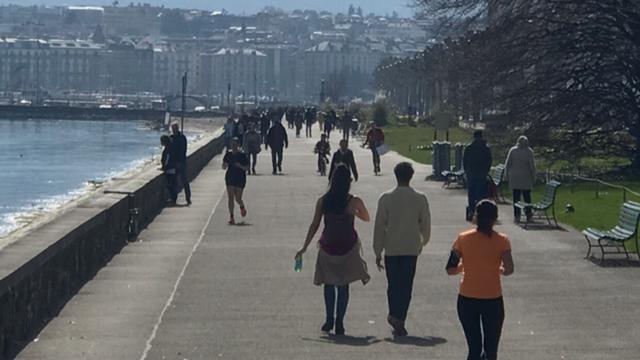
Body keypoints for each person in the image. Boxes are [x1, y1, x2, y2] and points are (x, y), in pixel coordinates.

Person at [295, 165, 371, 336]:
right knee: (343, 286)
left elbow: (315, 225)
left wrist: (304, 246)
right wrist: (353, 213)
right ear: (349, 182)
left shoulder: (323, 201)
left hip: (328, 246)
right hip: (348, 247)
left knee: (328, 283)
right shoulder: (354, 201)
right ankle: (339, 322)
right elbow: (367, 217)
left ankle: (329, 318)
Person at [446, 200, 514, 360]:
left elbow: (450, 269)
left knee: (474, 348)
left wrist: (465, 266)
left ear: (475, 216)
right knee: (491, 350)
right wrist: (498, 269)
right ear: (495, 218)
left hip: (467, 298)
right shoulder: (502, 241)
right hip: (493, 299)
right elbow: (509, 269)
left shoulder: (463, 239)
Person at [373, 162, 431, 337]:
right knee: (406, 285)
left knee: (393, 284)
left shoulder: (386, 198)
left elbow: (379, 226)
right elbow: (425, 224)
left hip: (392, 247)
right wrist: (423, 242)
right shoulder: (420, 198)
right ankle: (400, 318)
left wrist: (378, 250)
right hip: (411, 247)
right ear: (411, 176)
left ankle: (394, 313)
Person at [505, 136, 536, 223]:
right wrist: (534, 176)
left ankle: (517, 215)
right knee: (527, 197)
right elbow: (532, 166)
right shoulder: (529, 151)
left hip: (515, 176)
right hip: (526, 176)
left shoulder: (513, 150)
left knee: (516, 197)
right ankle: (529, 215)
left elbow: (508, 163)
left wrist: (506, 174)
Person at [463, 130, 492, 221]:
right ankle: (480, 211)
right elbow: (489, 161)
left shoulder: (469, 148)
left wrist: (467, 171)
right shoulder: (486, 149)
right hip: (481, 174)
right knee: (480, 193)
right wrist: (485, 171)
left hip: (471, 174)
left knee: (471, 193)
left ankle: (472, 210)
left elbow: (465, 161)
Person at [223, 138, 250, 225]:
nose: (233, 146)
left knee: (237, 198)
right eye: (232, 144)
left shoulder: (242, 155)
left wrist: (240, 166)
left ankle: (242, 207)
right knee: (230, 197)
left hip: (240, 178)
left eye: (235, 144)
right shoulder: (228, 155)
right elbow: (223, 166)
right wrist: (225, 165)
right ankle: (231, 217)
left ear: (238, 145)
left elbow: (247, 168)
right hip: (230, 177)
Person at [171, 123, 192, 206]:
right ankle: (174, 199)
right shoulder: (172, 138)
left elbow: (183, 151)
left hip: (181, 162)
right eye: (172, 128)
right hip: (174, 163)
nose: (173, 130)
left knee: (184, 181)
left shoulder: (182, 138)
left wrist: (180, 162)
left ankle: (188, 198)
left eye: (174, 128)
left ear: (177, 128)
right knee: (174, 182)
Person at [160, 135, 177, 205]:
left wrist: (164, 166)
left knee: (170, 185)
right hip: (172, 168)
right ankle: (173, 200)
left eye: (161, 141)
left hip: (170, 169)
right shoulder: (171, 147)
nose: (161, 142)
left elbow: (167, 159)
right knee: (172, 185)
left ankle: (173, 200)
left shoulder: (168, 149)